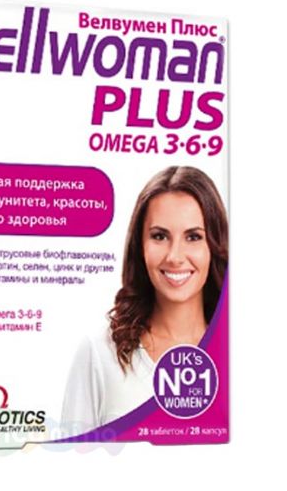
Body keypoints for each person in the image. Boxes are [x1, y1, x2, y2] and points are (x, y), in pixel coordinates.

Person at [60, 166, 228, 433]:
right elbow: (71, 455)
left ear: (215, 245)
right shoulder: (100, 352)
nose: (174, 256)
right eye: (159, 236)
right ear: (140, 246)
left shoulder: (236, 353)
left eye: (193, 237)